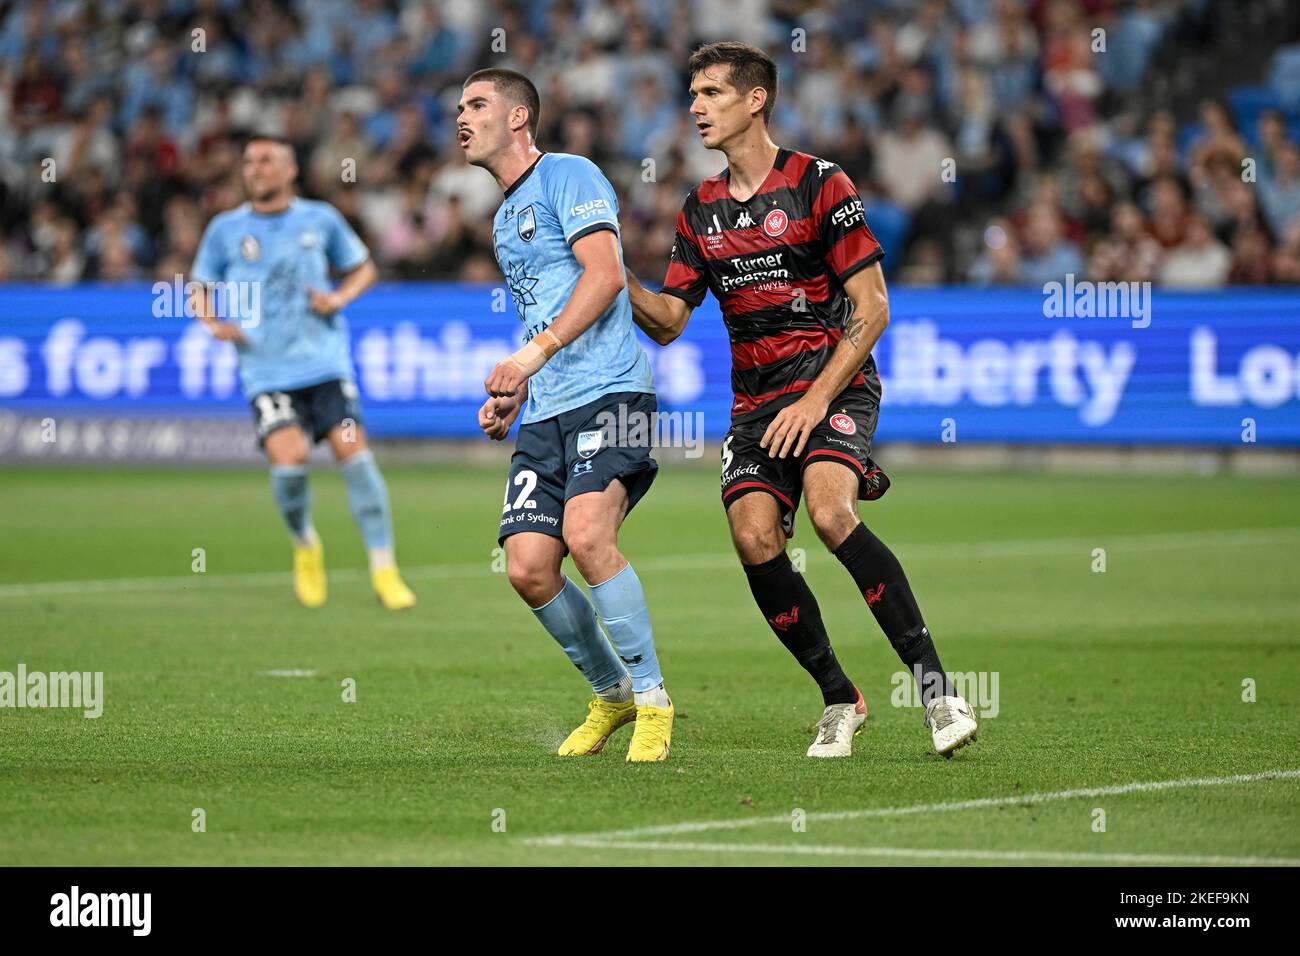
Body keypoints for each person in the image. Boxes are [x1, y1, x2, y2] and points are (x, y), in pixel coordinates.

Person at [626, 42, 977, 758]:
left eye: (712, 93)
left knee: (828, 510)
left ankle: (939, 695)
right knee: (754, 537)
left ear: (756, 100)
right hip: (757, 406)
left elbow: (872, 307)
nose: (695, 106)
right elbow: (666, 322)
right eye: (693, 93)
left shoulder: (820, 184)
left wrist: (816, 401)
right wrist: (608, 277)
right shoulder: (701, 210)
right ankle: (839, 699)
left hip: (834, 382)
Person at [458, 69, 674, 761]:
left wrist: (530, 354)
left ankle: (654, 701)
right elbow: (548, 313)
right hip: (548, 409)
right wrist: (519, 388)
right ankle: (610, 692)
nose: (461, 116)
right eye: (460, 106)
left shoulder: (570, 175)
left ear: (519, 118)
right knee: (526, 567)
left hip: (617, 395)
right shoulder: (500, 219)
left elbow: (606, 275)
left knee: (586, 535)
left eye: (477, 104)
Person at [191, 137, 416, 611]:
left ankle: (384, 568)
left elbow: (363, 269)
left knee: (352, 452)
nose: (256, 168)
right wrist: (212, 323)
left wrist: (338, 298)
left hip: (325, 363)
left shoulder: (320, 218)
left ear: (291, 170)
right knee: (290, 459)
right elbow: (199, 287)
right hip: (266, 370)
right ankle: (306, 544)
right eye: (249, 161)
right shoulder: (225, 229)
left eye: (267, 160)